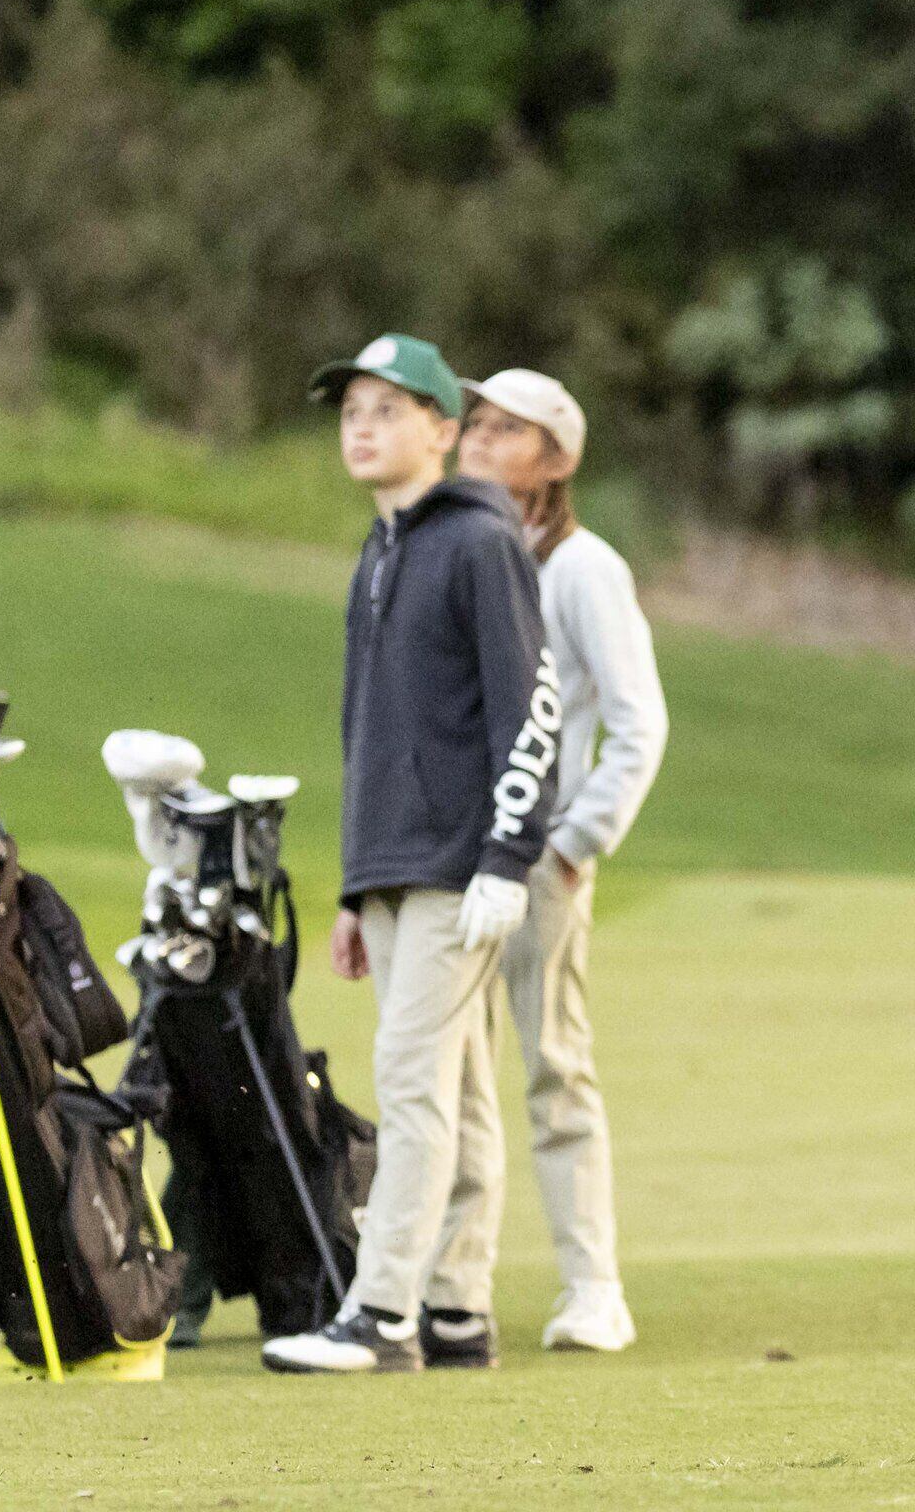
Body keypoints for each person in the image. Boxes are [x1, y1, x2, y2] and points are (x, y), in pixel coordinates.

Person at [262, 333, 559, 1375]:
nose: (362, 425)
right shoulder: (381, 550)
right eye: (351, 410)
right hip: (393, 866)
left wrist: (507, 858)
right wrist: (352, 885)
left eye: (387, 409)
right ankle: (457, 1306)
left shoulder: (480, 545)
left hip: (460, 865)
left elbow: (531, 713)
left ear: (442, 429)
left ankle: (379, 1313)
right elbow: (370, 729)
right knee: (461, 1087)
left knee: (410, 1081)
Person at [452, 366, 668, 1354]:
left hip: (540, 858)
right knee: (448, 1076)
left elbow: (636, 720)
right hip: (453, 853)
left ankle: (594, 1287)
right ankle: (456, 1281)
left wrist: (579, 840)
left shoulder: (584, 568)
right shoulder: (463, 549)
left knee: (552, 1068)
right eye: (476, 423)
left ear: (555, 457)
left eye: (505, 428)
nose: (477, 438)